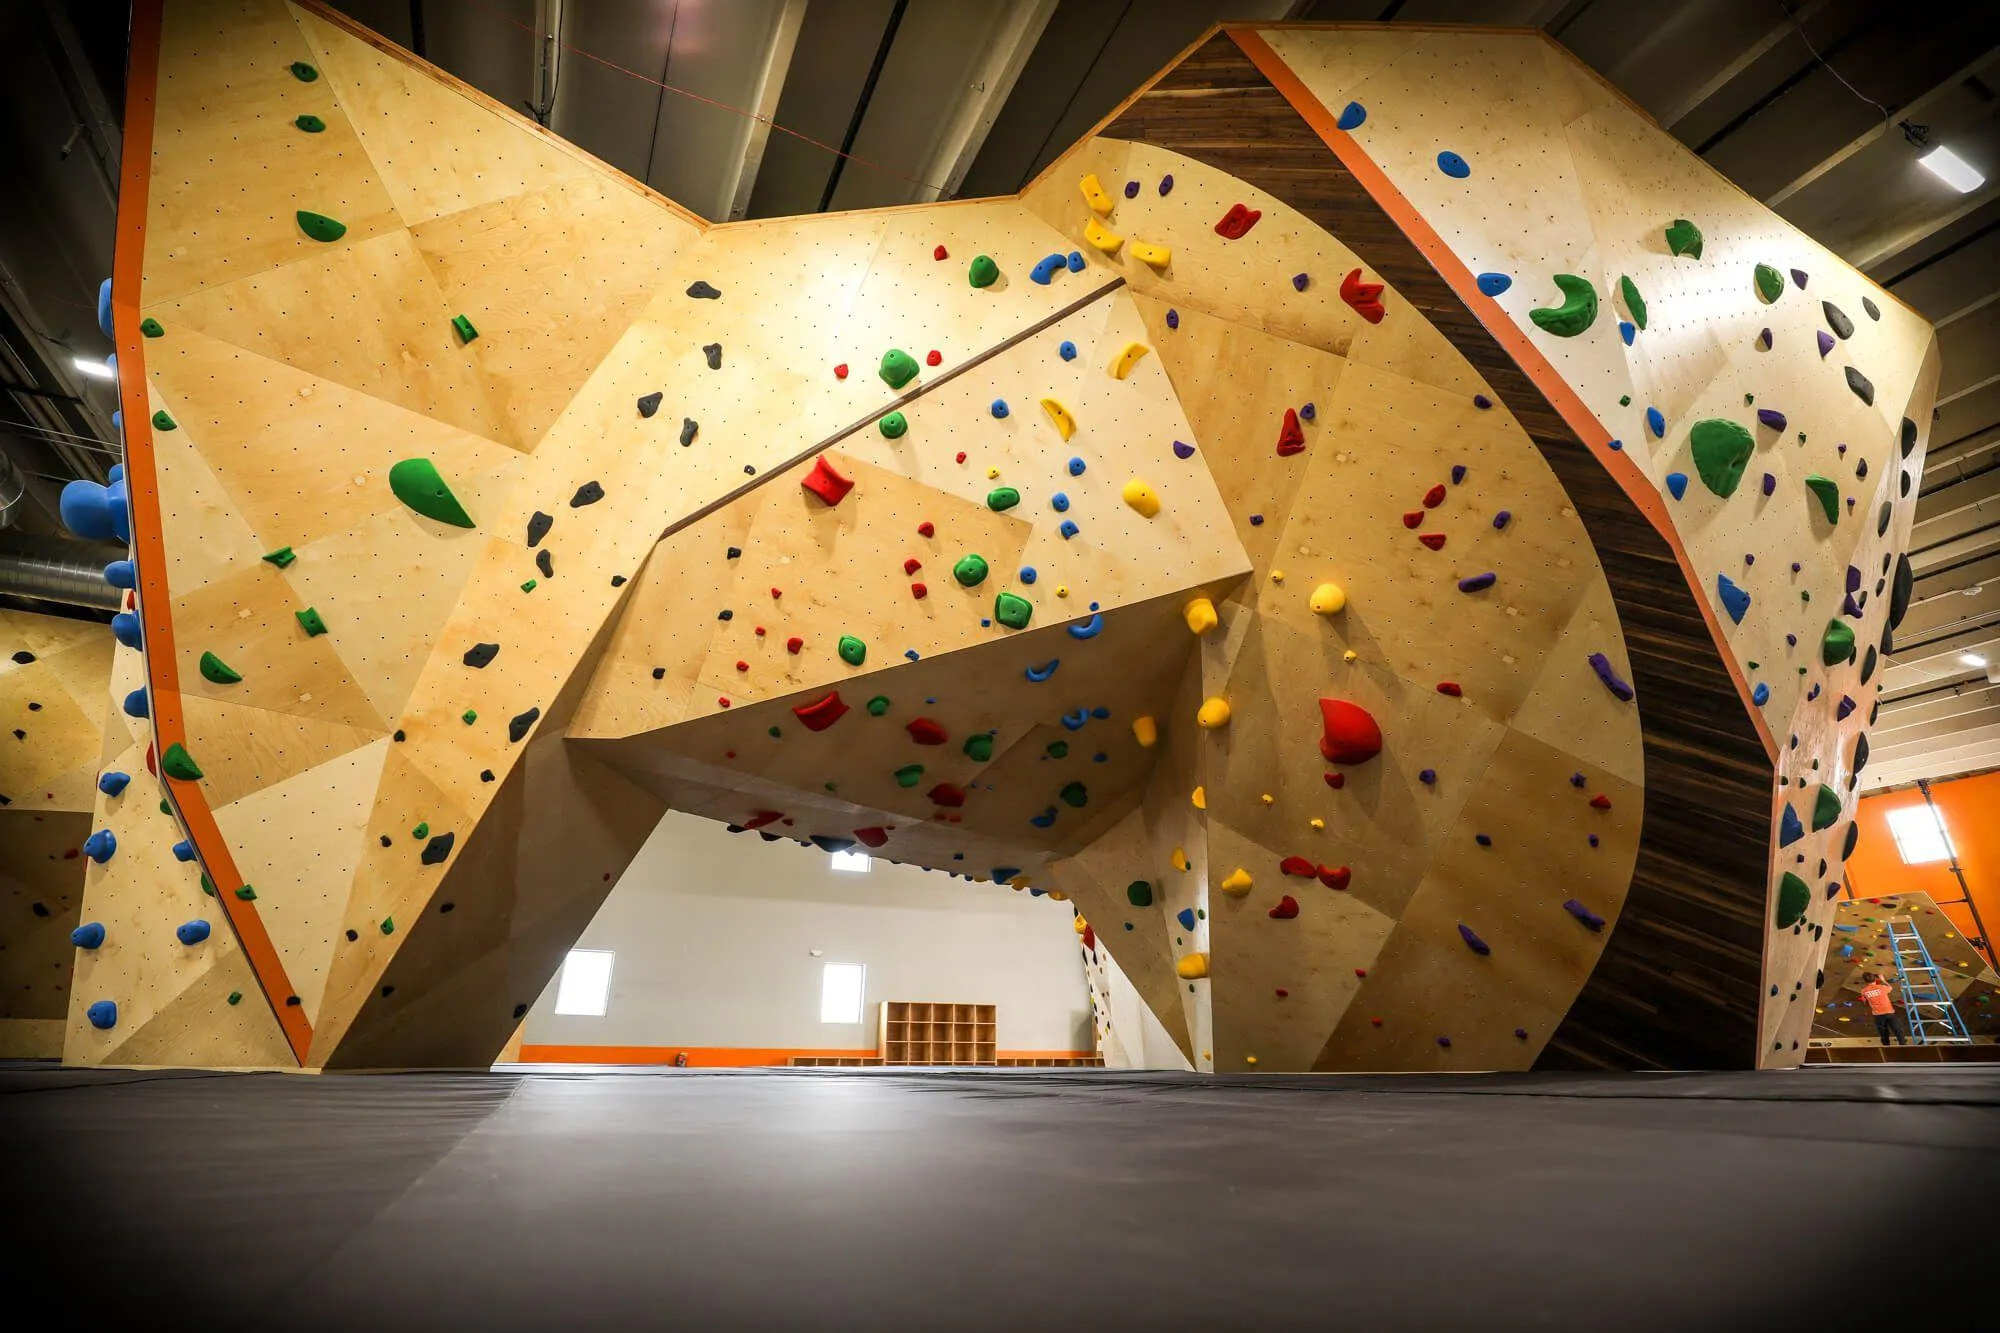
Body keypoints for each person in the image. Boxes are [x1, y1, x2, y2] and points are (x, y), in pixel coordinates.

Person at [1858, 973, 1905, 1046]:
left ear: (1865, 981)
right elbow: (1890, 987)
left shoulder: (1863, 991)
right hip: (1889, 1012)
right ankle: (1903, 1045)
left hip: (1878, 1015)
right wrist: (1883, 980)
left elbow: (1865, 1002)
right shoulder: (1882, 987)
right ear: (1876, 979)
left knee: (1883, 1032)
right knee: (1897, 1029)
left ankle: (1886, 1046)